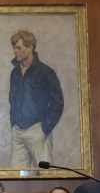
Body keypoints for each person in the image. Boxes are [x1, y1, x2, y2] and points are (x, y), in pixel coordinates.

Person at [9, 30, 64, 169]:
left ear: (30, 47)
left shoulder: (46, 72)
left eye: (19, 48)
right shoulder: (15, 73)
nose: (15, 51)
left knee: (45, 173)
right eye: (14, 48)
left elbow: (58, 102)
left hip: (37, 131)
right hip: (18, 132)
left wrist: (44, 128)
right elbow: (12, 100)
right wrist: (13, 124)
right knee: (16, 175)